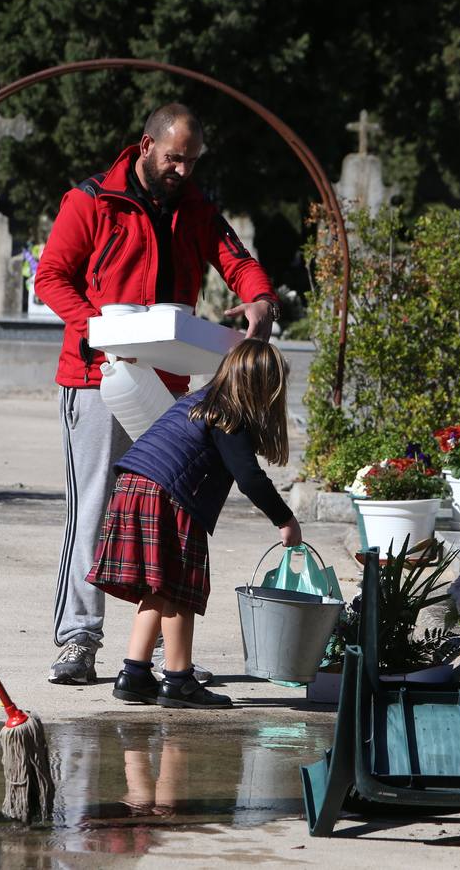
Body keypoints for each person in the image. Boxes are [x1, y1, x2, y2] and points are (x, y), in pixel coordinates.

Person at [34, 103, 282, 685]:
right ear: (146, 146)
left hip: (167, 385)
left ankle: (149, 658)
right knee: (92, 510)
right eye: (174, 158)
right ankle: (78, 638)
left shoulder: (197, 209)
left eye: (192, 161)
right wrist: (100, 330)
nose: (183, 170)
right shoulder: (92, 200)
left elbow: (237, 263)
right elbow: (51, 277)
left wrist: (260, 299)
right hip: (96, 378)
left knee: (163, 513)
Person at [87, 339, 302, 709]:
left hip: (133, 484)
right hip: (169, 496)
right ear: (260, 388)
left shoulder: (198, 403)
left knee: (157, 589)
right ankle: (179, 679)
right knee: (180, 591)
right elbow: (250, 478)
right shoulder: (228, 417)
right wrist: (285, 520)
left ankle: (135, 674)